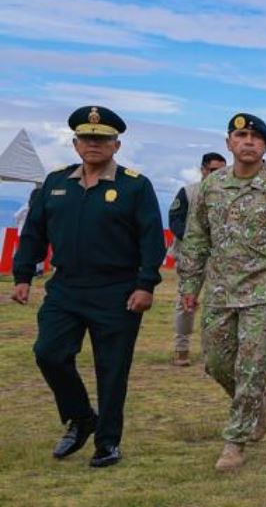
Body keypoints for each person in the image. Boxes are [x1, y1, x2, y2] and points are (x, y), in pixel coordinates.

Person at [11, 106, 165, 467]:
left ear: (116, 144)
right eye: (87, 138)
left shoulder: (134, 185)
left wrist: (146, 285)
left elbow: (151, 240)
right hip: (65, 288)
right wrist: (22, 276)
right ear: (75, 143)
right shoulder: (56, 182)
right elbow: (34, 232)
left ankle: (107, 443)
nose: (93, 144)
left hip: (117, 290)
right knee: (48, 353)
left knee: (111, 369)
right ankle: (80, 417)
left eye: (102, 139)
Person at [179, 113, 266, 473]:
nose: (248, 141)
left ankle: (235, 441)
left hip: (263, 291)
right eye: (241, 135)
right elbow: (195, 239)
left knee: (251, 367)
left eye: (256, 136)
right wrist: (189, 286)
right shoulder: (211, 186)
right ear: (228, 143)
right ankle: (258, 402)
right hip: (220, 290)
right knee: (217, 363)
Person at [167, 150, 225, 366]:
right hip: (191, 258)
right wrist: (195, 241)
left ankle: (214, 350)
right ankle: (181, 349)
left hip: (220, 259)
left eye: (222, 171)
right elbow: (175, 221)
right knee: (186, 303)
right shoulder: (188, 192)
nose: (217, 174)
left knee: (219, 304)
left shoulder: (229, 194)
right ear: (202, 169)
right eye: (212, 170)